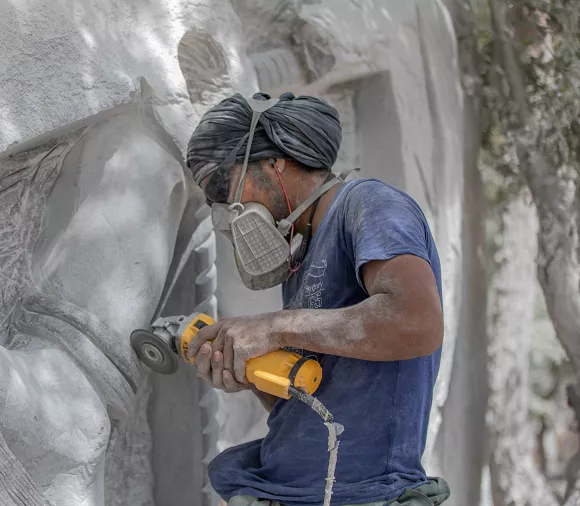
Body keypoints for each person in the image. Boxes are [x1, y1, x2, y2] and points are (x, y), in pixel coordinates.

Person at [184, 92, 451, 506]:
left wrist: (271, 327)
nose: (223, 208)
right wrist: (251, 373)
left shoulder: (370, 206)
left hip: (360, 495)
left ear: (276, 162)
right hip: (290, 489)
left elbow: (415, 320)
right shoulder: (303, 255)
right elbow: (322, 404)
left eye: (222, 185)